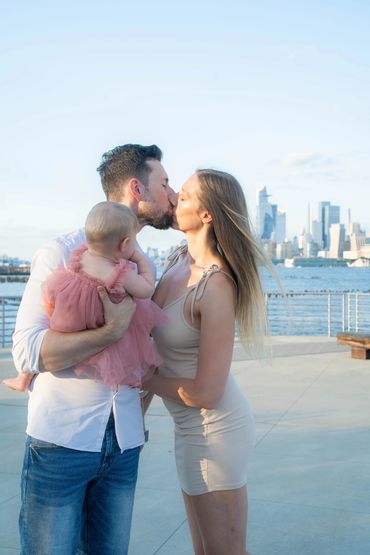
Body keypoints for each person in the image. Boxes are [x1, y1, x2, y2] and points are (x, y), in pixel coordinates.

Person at [11, 144, 177, 555]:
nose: (172, 194)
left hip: (124, 445)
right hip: (62, 442)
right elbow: (27, 350)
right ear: (136, 188)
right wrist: (108, 332)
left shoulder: (140, 265)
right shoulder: (61, 253)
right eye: (165, 183)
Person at [144, 168, 270, 555]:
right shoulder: (176, 260)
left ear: (206, 215)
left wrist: (141, 380)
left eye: (183, 197)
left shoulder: (215, 286)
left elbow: (208, 392)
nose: (172, 200)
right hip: (188, 430)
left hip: (217, 432)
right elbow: (151, 347)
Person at [4, 201, 165, 392]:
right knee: (117, 352)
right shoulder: (121, 273)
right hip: (97, 320)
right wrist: (140, 259)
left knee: (55, 327)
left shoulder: (79, 256)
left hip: (69, 314)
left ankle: (24, 377)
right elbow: (146, 289)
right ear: (125, 244)